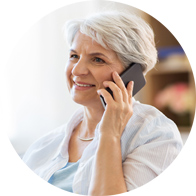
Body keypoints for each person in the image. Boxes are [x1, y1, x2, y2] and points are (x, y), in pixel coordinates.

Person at [22, 11, 183, 195]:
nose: (77, 70)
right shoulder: (44, 145)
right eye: (74, 56)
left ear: (132, 72)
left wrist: (109, 135)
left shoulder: (154, 133)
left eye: (98, 59)